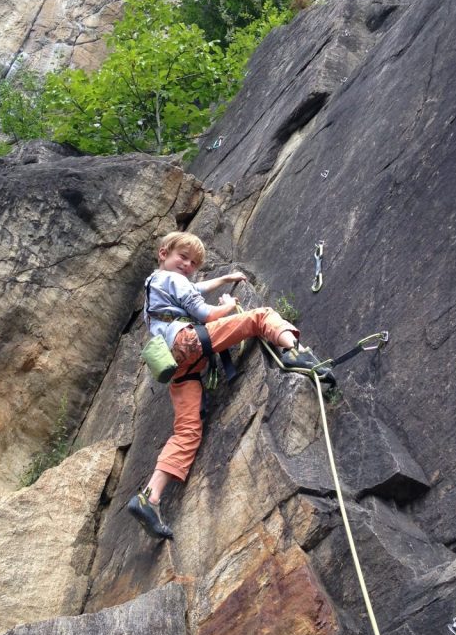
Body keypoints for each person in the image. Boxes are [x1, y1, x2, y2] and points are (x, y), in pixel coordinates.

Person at [128, 230, 332, 540]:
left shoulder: (156, 284)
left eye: (194, 262)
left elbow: (194, 287)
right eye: (182, 257)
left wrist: (224, 279)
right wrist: (228, 303)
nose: (188, 265)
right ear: (163, 253)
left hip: (176, 363)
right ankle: (296, 353)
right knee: (261, 316)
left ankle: (150, 497)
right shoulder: (173, 280)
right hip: (191, 342)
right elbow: (204, 313)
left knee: (187, 431)